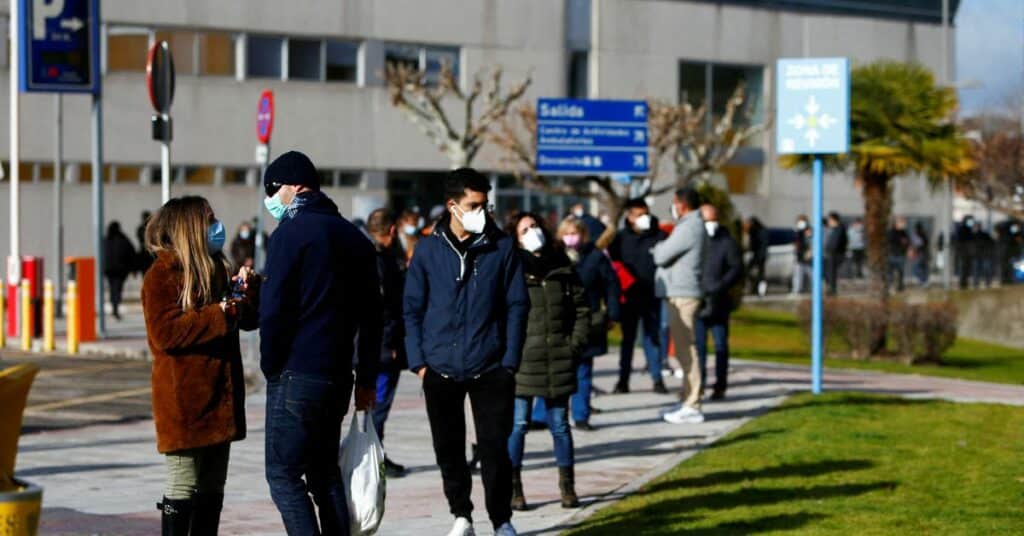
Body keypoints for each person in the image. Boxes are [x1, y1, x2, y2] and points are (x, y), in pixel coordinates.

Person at [259, 151, 382, 535]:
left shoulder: (290, 235)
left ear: (295, 186)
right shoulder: (354, 238)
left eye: (274, 189)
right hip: (338, 375)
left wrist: (271, 366)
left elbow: (274, 309)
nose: (272, 199)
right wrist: (365, 378)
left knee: (283, 475)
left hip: (297, 373)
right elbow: (374, 315)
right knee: (324, 471)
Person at [404, 168, 529, 536]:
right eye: (474, 205)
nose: (482, 212)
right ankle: (461, 515)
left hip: (491, 366)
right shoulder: (427, 250)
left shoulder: (502, 246)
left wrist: (509, 362)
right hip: (439, 367)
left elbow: (517, 306)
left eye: (485, 205)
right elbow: (411, 308)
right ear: (453, 206)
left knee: (494, 449)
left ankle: (501, 519)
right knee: (448, 449)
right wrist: (419, 363)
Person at [141, 196, 258, 535]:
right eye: (209, 220)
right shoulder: (161, 274)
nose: (216, 225)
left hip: (221, 399)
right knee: (183, 484)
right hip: (185, 403)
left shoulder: (218, 267)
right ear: (190, 228)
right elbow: (165, 334)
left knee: (213, 487)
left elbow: (246, 320)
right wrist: (220, 314)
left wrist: (248, 294)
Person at [505, 212, 588, 511]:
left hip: (559, 358)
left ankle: (568, 488)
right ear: (515, 237)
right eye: (525, 229)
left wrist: (573, 345)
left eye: (535, 226)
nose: (532, 232)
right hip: (524, 361)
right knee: (517, 425)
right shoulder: (511, 268)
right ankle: (514, 489)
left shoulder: (562, 267)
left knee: (560, 426)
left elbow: (581, 309)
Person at [558, 217, 620, 430]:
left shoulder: (596, 257)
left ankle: (581, 415)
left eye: (574, 233)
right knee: (554, 369)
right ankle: (543, 415)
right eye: (567, 233)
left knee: (582, 371)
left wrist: (612, 313)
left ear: (583, 235)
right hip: (558, 321)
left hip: (588, 320)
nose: (571, 238)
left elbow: (611, 285)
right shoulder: (555, 256)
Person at [654, 187, 706, 425]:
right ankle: (687, 398)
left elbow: (662, 255)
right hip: (680, 292)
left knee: (686, 349)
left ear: (682, 204)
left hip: (684, 294)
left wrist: (657, 249)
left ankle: (693, 403)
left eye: (675, 202)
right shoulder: (690, 225)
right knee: (685, 349)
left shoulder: (689, 227)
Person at [608, 198, 668, 394]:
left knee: (653, 338)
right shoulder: (620, 239)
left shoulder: (659, 236)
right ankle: (623, 380)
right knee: (628, 340)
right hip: (629, 297)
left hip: (652, 296)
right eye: (639, 215)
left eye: (646, 214)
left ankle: (657, 378)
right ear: (630, 216)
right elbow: (612, 266)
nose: (643, 218)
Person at [365, 208, 409, 478]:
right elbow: (385, 309)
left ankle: (374, 454)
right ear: (391, 230)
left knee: (373, 407)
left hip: (372, 346)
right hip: (382, 349)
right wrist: (390, 343)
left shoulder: (365, 255)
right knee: (377, 407)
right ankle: (373, 458)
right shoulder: (380, 261)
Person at [694, 205, 743, 401]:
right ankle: (699, 384)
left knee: (721, 345)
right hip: (698, 300)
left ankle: (720, 385)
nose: (710, 225)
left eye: (713, 220)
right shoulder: (696, 240)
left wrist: (721, 285)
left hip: (719, 302)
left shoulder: (727, 242)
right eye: (706, 221)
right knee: (699, 347)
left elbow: (736, 268)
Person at [104, 221, 138, 321]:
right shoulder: (123, 239)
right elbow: (131, 254)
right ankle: (115, 306)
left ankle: (114, 306)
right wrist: (133, 269)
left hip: (110, 269)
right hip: (120, 270)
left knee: (112, 288)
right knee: (117, 288)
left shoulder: (106, 240)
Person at [743, 217, 769, 296]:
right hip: (758, 255)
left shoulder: (758, 232)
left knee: (759, 273)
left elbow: (756, 245)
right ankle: (757, 288)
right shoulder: (757, 231)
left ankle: (760, 290)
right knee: (756, 272)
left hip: (759, 255)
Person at [824, 212, 847, 296]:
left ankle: (832, 289)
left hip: (835, 254)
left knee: (831, 272)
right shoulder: (832, 229)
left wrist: (829, 249)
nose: (828, 222)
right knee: (828, 272)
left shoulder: (839, 229)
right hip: (830, 254)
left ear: (834, 220)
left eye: (829, 220)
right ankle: (830, 288)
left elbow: (835, 243)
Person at [887, 217, 910, 292]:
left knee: (900, 273)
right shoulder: (891, 232)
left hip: (901, 255)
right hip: (892, 255)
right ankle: (890, 287)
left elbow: (907, 242)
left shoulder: (904, 232)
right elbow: (890, 242)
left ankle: (900, 287)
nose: (903, 224)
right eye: (901, 222)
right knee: (890, 273)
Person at [792, 215, 812, 294]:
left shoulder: (809, 230)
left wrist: (810, 251)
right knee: (798, 275)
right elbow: (796, 243)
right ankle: (797, 289)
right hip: (799, 256)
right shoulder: (797, 231)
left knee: (811, 274)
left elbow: (811, 242)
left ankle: (813, 289)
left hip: (808, 256)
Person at [910, 222, 931, 286]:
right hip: (924, 254)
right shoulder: (923, 235)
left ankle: (923, 280)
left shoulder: (919, 235)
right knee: (923, 268)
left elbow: (918, 246)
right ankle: (924, 281)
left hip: (921, 254)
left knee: (917, 268)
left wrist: (914, 252)